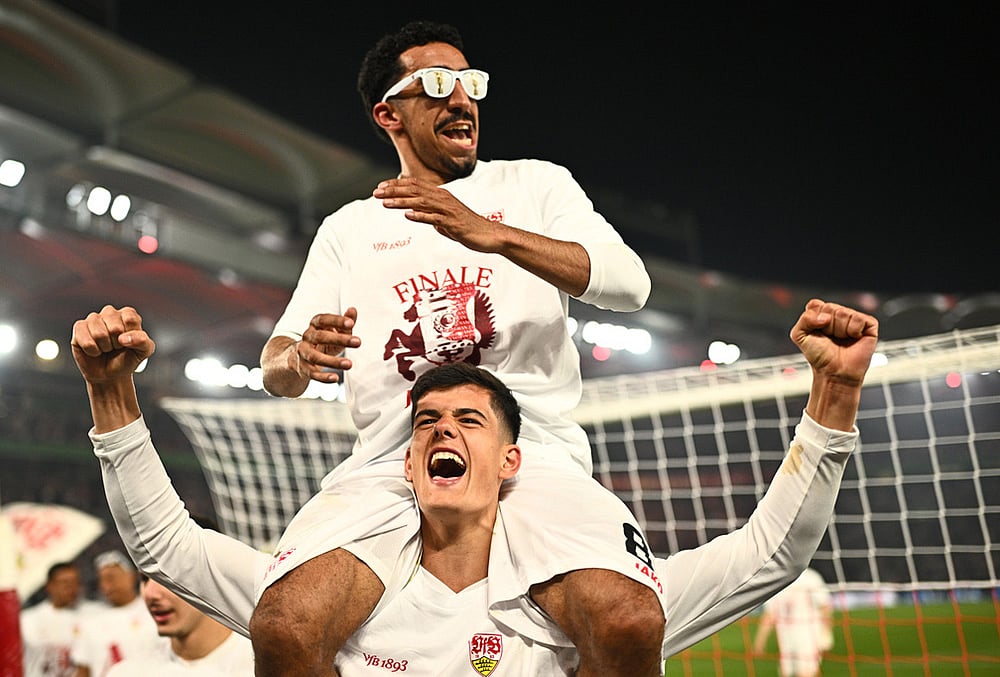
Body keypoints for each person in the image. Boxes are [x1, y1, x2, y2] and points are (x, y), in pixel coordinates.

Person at [73, 298, 878, 675]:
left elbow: (770, 554)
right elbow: (165, 544)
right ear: (407, 463)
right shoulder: (329, 591)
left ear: (512, 462)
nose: (442, 431)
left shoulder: (581, 605)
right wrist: (112, 395)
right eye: (425, 422)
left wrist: (832, 398)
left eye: (468, 420)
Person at [255, 19, 663, 675]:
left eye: (471, 83)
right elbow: (276, 364)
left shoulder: (534, 187)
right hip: (392, 465)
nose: (462, 99)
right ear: (388, 112)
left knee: (628, 618)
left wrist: (492, 234)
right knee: (284, 624)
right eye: (438, 83)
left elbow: (631, 284)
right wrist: (300, 357)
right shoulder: (350, 229)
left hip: (533, 456)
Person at [105, 518, 253, 676]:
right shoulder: (128, 673)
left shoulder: (267, 666)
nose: (150, 594)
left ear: (213, 574)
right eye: (145, 579)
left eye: (167, 576)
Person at [69, 551, 163, 677]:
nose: (106, 586)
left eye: (111, 578)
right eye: (102, 580)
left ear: (131, 576)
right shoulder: (91, 623)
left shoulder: (156, 610)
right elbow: (83, 671)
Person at [20, 561, 102, 677]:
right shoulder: (28, 620)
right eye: (65, 583)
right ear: (49, 586)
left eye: (75, 582)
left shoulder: (96, 614)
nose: (71, 588)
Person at [753, 567, 834, 677]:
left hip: (808, 637)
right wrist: (760, 640)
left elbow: (825, 606)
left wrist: (826, 631)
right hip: (787, 639)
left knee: (805, 673)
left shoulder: (809, 577)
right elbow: (770, 614)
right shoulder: (777, 580)